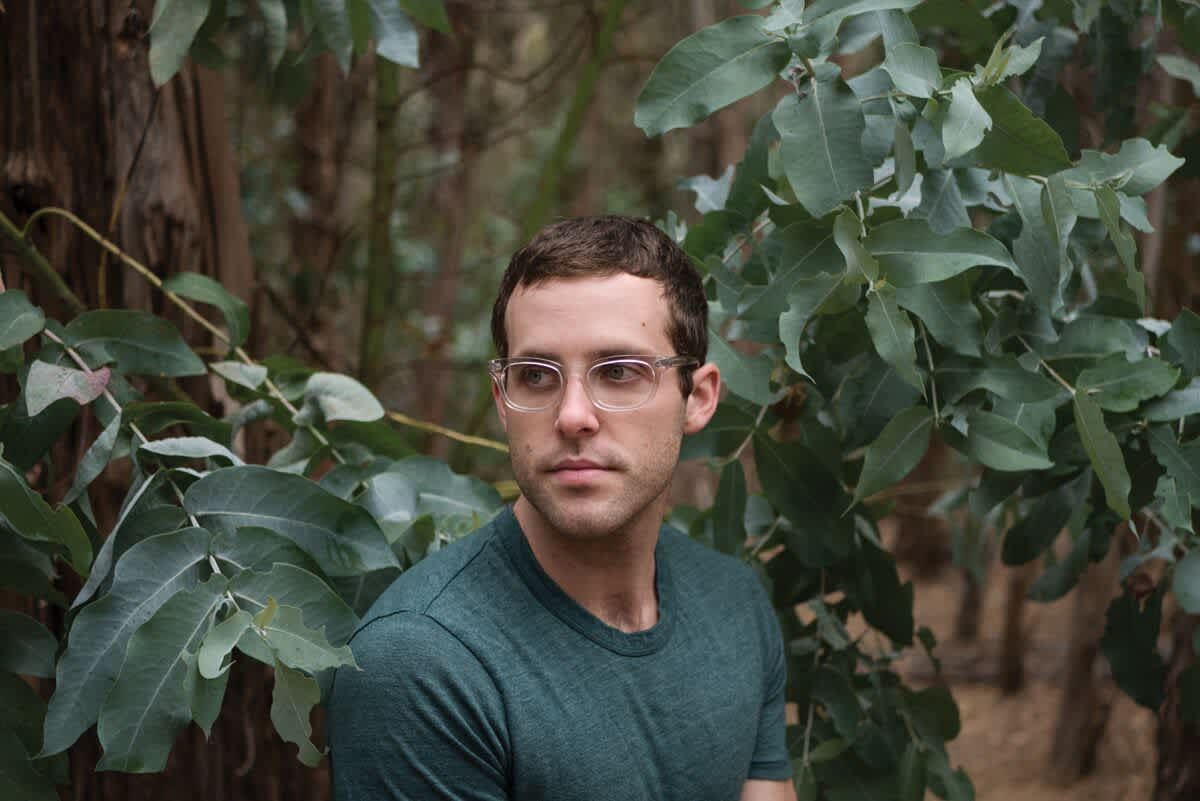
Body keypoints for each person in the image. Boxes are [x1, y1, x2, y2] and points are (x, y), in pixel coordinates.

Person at [328, 216, 795, 801]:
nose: (573, 415)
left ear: (697, 398)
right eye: (536, 376)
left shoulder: (734, 604)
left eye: (619, 372)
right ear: (503, 401)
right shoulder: (420, 664)